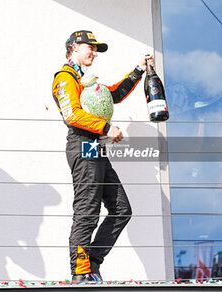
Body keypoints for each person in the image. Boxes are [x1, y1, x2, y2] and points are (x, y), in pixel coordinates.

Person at [52, 30, 153, 282]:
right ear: (74, 47)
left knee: (121, 210)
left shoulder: (85, 78)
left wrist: (138, 71)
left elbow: (114, 95)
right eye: (91, 47)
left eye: (96, 48)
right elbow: (72, 114)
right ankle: (80, 272)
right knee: (87, 210)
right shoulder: (65, 77)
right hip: (83, 145)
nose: (94, 52)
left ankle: (93, 262)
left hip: (96, 146)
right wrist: (107, 128)